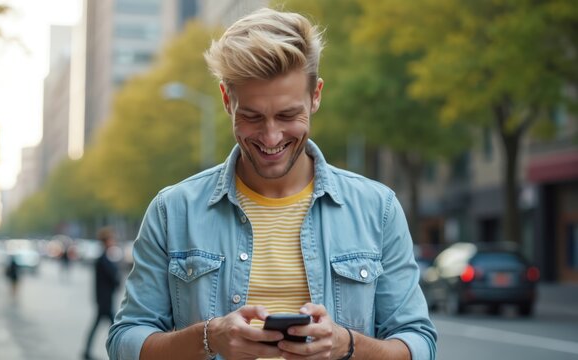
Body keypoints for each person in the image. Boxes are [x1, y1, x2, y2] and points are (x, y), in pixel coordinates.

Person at [108, 7, 437, 360]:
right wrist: (209, 338)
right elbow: (124, 343)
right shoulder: (173, 211)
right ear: (225, 100)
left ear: (316, 96)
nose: (271, 137)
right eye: (251, 117)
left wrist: (347, 344)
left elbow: (419, 344)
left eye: (287, 115)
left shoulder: (378, 208)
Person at [83, 227, 121, 360]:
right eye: (112, 239)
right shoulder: (103, 259)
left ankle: (87, 351)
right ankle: (117, 353)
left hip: (104, 300)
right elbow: (113, 278)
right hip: (105, 301)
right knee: (115, 328)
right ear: (106, 241)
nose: (114, 241)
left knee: (110, 327)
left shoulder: (104, 258)